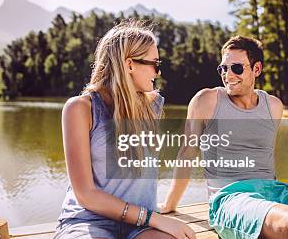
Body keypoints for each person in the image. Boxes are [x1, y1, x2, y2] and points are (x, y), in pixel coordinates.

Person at [158, 36, 288, 239]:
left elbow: (268, 155)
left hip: (277, 192)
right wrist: (170, 204)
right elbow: (187, 152)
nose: (228, 75)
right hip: (231, 198)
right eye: (223, 68)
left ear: (256, 69)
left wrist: (277, 199)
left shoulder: (273, 106)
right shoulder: (207, 100)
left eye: (236, 68)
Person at [53, 20, 196, 239]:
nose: (157, 72)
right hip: (88, 222)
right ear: (129, 64)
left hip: (140, 228)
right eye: (155, 64)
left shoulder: (153, 106)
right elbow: (86, 195)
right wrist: (155, 218)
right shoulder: (80, 109)